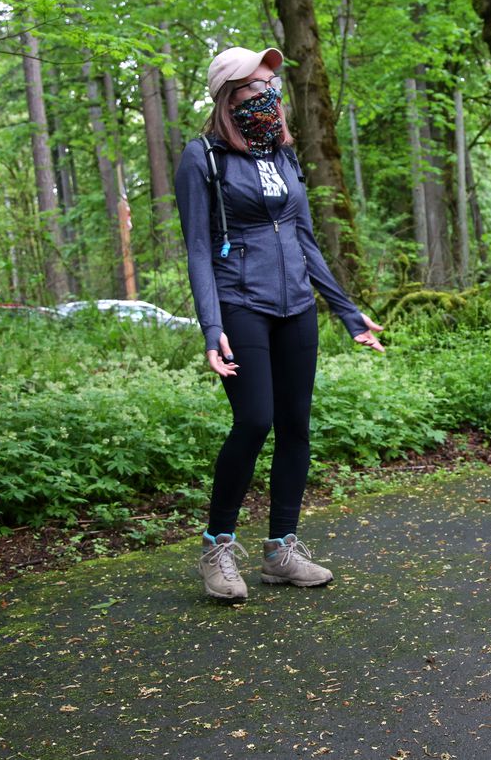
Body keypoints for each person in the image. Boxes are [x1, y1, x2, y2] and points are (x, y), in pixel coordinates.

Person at [175, 46, 384, 601]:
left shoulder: (284, 157)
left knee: (296, 424)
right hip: (240, 303)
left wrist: (344, 309)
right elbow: (198, 248)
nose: (269, 95)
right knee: (254, 421)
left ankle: (280, 551)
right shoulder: (203, 158)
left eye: (273, 85)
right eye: (255, 86)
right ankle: (217, 548)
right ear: (228, 96)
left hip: (296, 306)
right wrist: (209, 324)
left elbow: (304, 239)